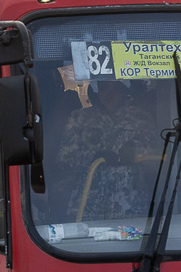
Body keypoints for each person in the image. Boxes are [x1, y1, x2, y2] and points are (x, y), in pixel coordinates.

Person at [57, 79, 165, 221]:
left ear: (122, 89)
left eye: (109, 88)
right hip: (89, 203)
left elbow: (157, 165)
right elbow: (65, 164)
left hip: (130, 204)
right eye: (100, 89)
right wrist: (94, 157)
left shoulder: (141, 119)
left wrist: (133, 153)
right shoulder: (80, 118)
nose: (104, 95)